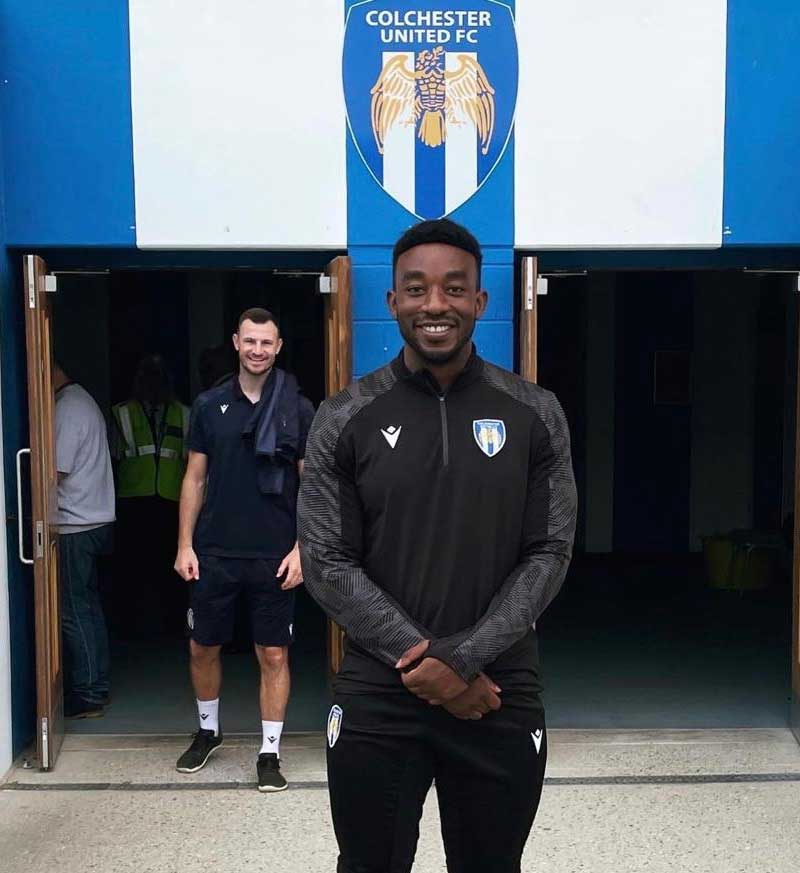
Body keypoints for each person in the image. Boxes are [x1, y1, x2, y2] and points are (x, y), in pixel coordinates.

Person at [298, 219, 577, 872]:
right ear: (392, 301)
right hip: (378, 694)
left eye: (454, 288)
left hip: (498, 690)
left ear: (480, 301)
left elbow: (550, 551)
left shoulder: (535, 411)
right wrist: (427, 661)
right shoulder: (344, 415)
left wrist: (465, 660)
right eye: (416, 288)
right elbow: (327, 561)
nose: (435, 304)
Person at [173, 307, 312, 792]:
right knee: (202, 645)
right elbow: (194, 477)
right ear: (235, 342)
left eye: (266, 343)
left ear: (278, 347)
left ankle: (269, 753)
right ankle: (208, 731)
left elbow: (310, 485)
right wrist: (184, 544)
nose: (257, 350)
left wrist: (303, 549)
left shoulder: (298, 407)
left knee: (273, 653)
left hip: (275, 554)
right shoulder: (210, 405)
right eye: (249, 341)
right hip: (213, 551)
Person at [111, 354, 190, 637]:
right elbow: (113, 457)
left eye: (158, 375)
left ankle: (171, 627)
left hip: (172, 500)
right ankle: (130, 628)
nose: (153, 382)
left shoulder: (184, 413)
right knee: (133, 566)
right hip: (134, 499)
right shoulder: (120, 413)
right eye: (148, 375)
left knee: (172, 567)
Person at [54, 364, 116, 719]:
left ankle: (89, 692)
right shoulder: (82, 402)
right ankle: (94, 684)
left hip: (76, 524)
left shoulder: (67, 409)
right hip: (93, 517)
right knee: (87, 608)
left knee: (74, 612)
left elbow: (55, 471)